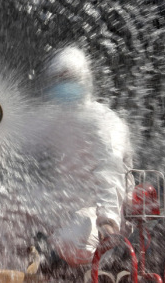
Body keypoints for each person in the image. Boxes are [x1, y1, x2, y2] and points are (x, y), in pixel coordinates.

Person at [34, 46, 133, 271]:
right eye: (59, 79)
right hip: (65, 207)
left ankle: (49, 262)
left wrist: (108, 222)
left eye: (68, 78)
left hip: (101, 216)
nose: (63, 84)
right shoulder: (53, 122)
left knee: (73, 237)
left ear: (84, 80)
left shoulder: (103, 122)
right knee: (11, 217)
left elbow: (110, 173)